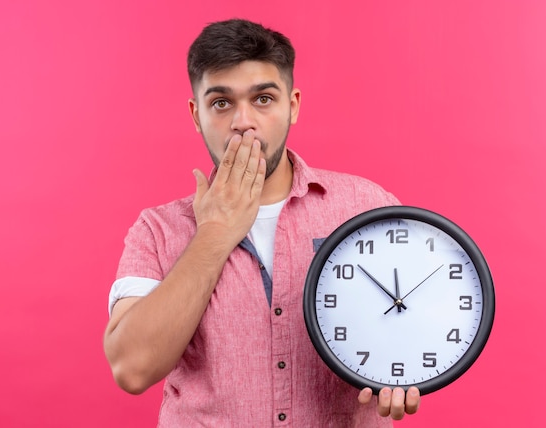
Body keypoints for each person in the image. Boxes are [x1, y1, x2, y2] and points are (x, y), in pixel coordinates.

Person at [104, 18, 421, 426]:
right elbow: (132, 368)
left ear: (293, 105)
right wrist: (214, 234)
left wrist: (404, 368)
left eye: (263, 99)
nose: (243, 121)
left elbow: (416, 313)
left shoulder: (366, 206)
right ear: (196, 115)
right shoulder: (157, 230)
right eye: (221, 103)